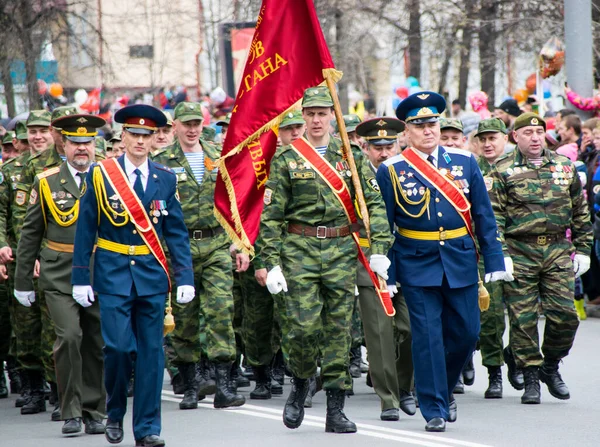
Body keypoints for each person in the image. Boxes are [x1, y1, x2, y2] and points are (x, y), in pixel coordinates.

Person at [256, 86, 393, 434]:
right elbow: (271, 216)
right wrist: (269, 261)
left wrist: (379, 248)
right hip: (299, 249)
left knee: (338, 330)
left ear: (332, 115)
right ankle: (301, 379)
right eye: (311, 114)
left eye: (322, 113)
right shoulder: (287, 159)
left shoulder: (351, 157)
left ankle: (336, 407)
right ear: (303, 116)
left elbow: (374, 205)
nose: (316, 120)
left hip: (341, 248)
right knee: (301, 327)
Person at [376, 91, 510, 432]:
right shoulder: (391, 170)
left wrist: (495, 258)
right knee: (427, 337)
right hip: (416, 263)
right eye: (420, 125)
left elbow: (483, 213)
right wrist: (388, 272)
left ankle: (443, 387)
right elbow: (384, 225)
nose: (428, 130)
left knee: (467, 333)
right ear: (406, 130)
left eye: (433, 123)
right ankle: (433, 405)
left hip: (461, 260)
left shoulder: (464, 162)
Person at [72, 104, 195, 447]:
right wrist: (81, 277)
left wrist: (185, 276)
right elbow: (86, 229)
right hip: (112, 275)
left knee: (153, 354)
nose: (140, 141)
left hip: (152, 276)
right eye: (134, 134)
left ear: (155, 139)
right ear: (123, 136)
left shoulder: (165, 178)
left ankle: (147, 429)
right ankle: (113, 412)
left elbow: (176, 233)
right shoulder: (101, 175)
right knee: (118, 348)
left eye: (147, 135)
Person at [488, 112, 592, 405]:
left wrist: (583, 249)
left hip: (557, 250)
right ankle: (530, 376)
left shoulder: (563, 166)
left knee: (565, 317)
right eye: (527, 133)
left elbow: (580, 211)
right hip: (520, 251)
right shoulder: (503, 170)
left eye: (539, 132)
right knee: (523, 319)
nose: (534, 138)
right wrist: (500, 256)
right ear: (515, 137)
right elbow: (493, 217)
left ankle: (550, 366)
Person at [14, 114, 107, 436]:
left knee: (95, 341)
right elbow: (30, 234)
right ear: (63, 144)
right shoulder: (47, 180)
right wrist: (23, 280)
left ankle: (95, 409)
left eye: (87, 143)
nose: (82, 149)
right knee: (69, 337)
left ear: (94, 145)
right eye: (75, 143)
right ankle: (70, 410)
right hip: (59, 273)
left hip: (98, 272)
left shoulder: (106, 177)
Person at [151, 101, 248, 411]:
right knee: (185, 318)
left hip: (217, 245)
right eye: (186, 124)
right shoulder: (162, 161)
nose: (192, 129)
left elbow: (234, 200)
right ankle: (190, 384)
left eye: (196, 123)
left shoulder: (217, 157)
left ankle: (223, 384)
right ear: (175, 126)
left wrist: (239, 241)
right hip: (180, 249)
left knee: (221, 313)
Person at [355, 116, 416, 421]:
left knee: (410, 329)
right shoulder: (355, 177)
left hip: (409, 262)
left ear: (399, 144)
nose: (384, 153)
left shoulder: (409, 173)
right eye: (377, 147)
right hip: (371, 261)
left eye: (389, 145)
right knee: (380, 334)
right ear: (364, 147)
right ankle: (388, 399)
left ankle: (405, 387)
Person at [474, 118, 524, 397]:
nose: (488, 143)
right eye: (482, 139)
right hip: (486, 252)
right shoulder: (470, 169)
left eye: (493, 138)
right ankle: (494, 373)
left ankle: (517, 357)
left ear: (506, 138)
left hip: (522, 251)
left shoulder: (520, 167)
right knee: (490, 316)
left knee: (523, 315)